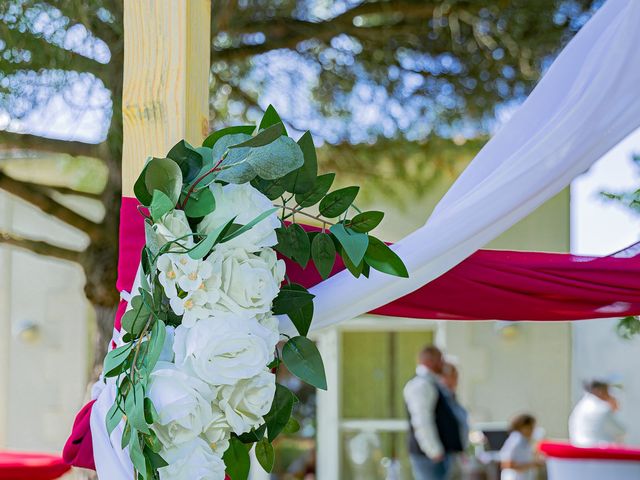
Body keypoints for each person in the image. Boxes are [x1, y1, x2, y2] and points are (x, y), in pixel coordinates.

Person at [403, 346, 464, 480]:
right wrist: (433, 450)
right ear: (430, 361)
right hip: (429, 457)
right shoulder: (421, 385)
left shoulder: (432, 383)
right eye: (440, 360)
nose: (442, 364)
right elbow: (421, 419)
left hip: (440, 455)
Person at [569, 379, 626, 446]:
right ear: (600, 391)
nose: (609, 395)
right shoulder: (602, 408)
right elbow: (620, 430)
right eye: (607, 391)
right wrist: (613, 408)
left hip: (577, 445)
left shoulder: (581, 405)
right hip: (598, 449)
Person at [438, 362, 469, 480]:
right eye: (454, 375)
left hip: (456, 453)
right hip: (445, 455)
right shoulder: (440, 398)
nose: (457, 379)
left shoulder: (452, 397)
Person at [499, 414, 542, 480]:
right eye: (529, 427)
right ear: (520, 427)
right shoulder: (515, 441)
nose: (532, 430)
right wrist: (532, 464)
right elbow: (506, 464)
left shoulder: (527, 440)